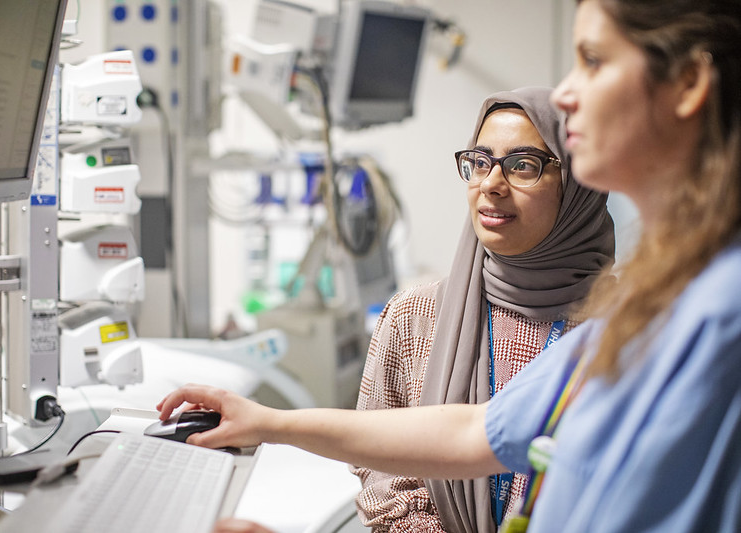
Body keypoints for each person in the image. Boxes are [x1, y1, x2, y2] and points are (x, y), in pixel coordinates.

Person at [159, 0, 741, 530]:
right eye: (480, 161)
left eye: (592, 60)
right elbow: (473, 430)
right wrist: (268, 422)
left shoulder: (712, 316)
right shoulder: (654, 303)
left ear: (689, 83)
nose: (566, 95)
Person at [352, 86, 613, 533]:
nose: (491, 183)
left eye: (523, 165)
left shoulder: (631, 327)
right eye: (479, 162)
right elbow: (379, 469)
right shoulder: (413, 318)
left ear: (576, 185)